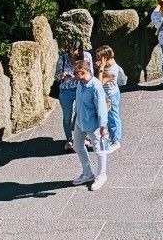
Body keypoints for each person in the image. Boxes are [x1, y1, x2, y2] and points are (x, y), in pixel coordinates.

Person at [71, 53, 111, 191]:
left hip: (93, 125)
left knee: (99, 149)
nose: (75, 76)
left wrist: (103, 126)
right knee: (77, 146)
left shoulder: (95, 87)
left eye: (78, 74)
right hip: (80, 122)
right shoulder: (80, 84)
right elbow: (78, 102)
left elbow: (101, 108)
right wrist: (75, 118)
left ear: (85, 72)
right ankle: (87, 173)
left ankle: (102, 175)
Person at [52, 35, 88, 150]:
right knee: (67, 116)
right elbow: (56, 76)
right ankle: (69, 138)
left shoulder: (86, 57)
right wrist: (61, 76)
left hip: (80, 88)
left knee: (82, 113)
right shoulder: (63, 59)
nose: (72, 52)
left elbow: (90, 73)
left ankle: (83, 137)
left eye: (75, 49)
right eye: (71, 49)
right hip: (66, 90)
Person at [95, 45, 126, 152]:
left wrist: (101, 69)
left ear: (106, 58)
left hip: (111, 95)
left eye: (99, 58)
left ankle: (116, 141)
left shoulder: (112, 70)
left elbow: (99, 83)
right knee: (106, 116)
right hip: (107, 94)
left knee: (113, 117)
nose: (97, 60)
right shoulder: (109, 64)